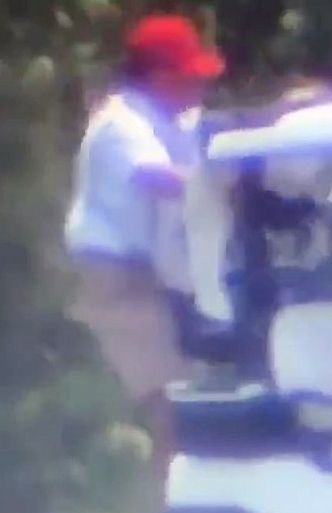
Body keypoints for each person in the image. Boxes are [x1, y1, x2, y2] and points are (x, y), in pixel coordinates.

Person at [63, 14, 224, 487]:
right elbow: (161, 180)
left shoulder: (166, 119)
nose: (199, 85)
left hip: (142, 275)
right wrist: (225, 187)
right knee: (169, 403)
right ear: (160, 77)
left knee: (184, 393)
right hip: (113, 276)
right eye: (190, 75)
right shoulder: (123, 121)